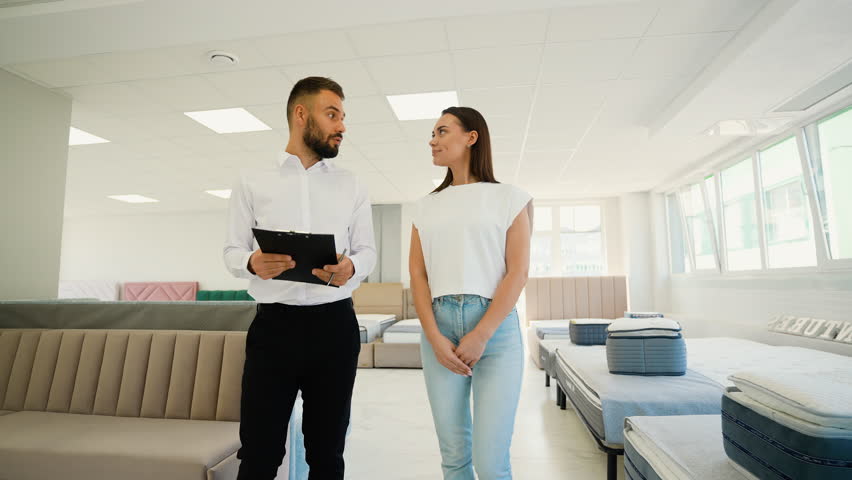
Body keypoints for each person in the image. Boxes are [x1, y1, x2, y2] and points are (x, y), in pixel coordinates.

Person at [223, 76, 376, 480]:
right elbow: (231, 252)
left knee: (327, 454)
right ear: (300, 114)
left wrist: (351, 268)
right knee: (258, 452)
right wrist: (252, 263)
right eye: (332, 115)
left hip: (335, 327)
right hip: (274, 327)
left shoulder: (352, 184)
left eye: (342, 117)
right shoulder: (251, 180)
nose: (341, 125)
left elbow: (368, 253)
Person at [409, 106, 533, 480]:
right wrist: (434, 337)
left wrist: (481, 334)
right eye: (432, 133)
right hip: (439, 330)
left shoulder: (510, 198)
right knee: (454, 457)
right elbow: (418, 275)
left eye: (442, 131)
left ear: (471, 137)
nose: (432, 140)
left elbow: (517, 272)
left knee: (491, 461)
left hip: (496, 334)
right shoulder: (425, 207)